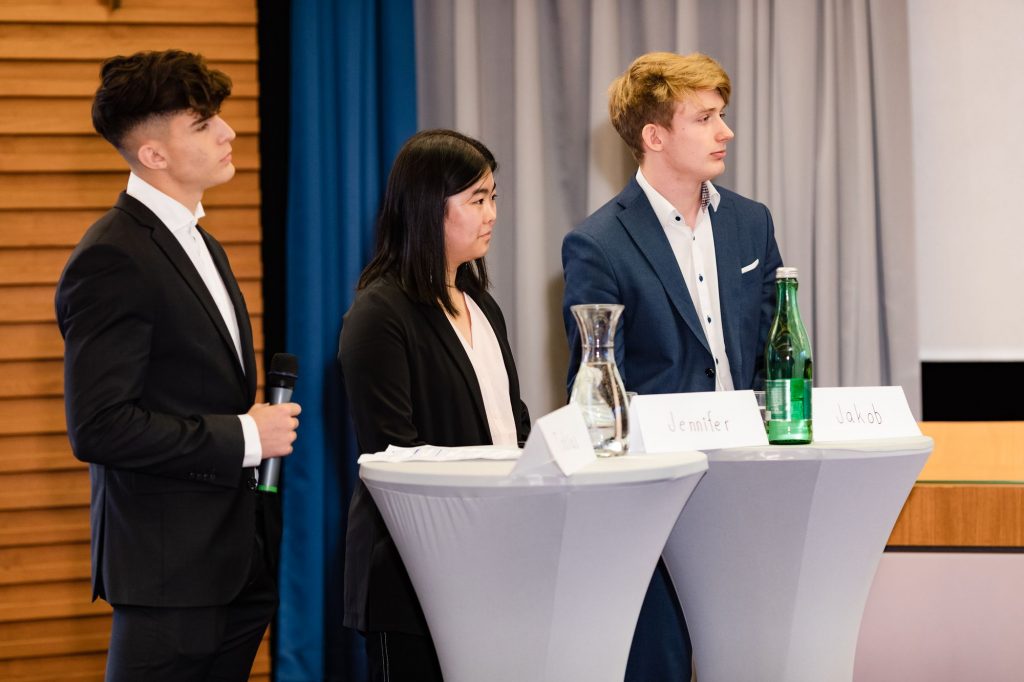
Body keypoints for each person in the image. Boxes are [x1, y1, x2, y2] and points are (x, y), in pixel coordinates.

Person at [55, 50, 301, 681]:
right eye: (203, 123)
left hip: (235, 560)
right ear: (153, 154)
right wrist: (246, 435)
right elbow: (99, 427)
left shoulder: (201, 242)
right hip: (169, 575)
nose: (228, 132)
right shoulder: (112, 256)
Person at [561, 52, 784, 680]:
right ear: (654, 137)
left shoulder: (751, 223)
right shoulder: (598, 243)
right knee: (658, 662)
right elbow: (594, 387)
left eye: (722, 115)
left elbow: (772, 350)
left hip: (748, 482)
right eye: (705, 118)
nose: (725, 132)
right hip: (655, 494)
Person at [339, 129, 531, 680]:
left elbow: (512, 426)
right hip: (412, 579)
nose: (492, 214)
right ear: (428, 207)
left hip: (493, 563)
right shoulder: (380, 314)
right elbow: (394, 458)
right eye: (477, 199)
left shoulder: (482, 305)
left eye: (493, 197)